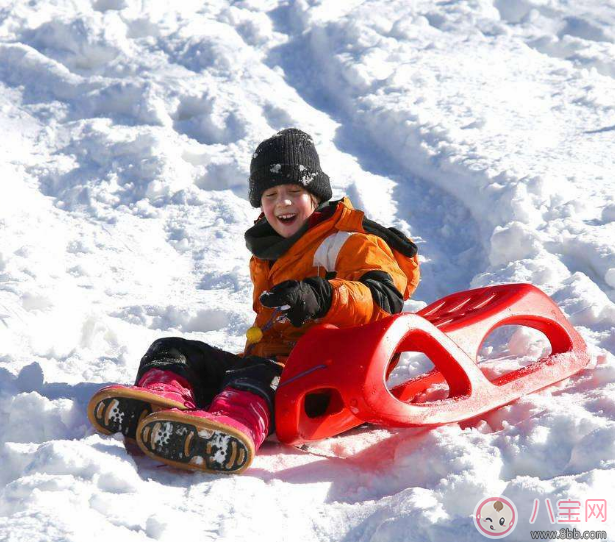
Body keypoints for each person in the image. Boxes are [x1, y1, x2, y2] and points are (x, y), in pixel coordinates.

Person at [87, 128, 420, 474]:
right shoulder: (271, 248)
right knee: (172, 349)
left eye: (295, 191)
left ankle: (229, 428)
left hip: (324, 378)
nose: (283, 203)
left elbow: (384, 301)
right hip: (269, 365)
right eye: (271, 194)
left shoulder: (353, 242)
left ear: (316, 195)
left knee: (255, 375)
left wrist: (323, 296)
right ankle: (161, 404)